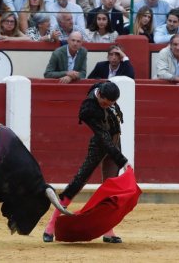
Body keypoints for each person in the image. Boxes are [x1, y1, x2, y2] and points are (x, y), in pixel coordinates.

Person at [43, 81, 131, 244]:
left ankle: (108, 230)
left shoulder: (106, 90)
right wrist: (122, 159)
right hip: (99, 145)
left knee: (110, 187)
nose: (107, 106)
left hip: (115, 143)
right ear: (99, 96)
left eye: (110, 104)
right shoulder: (88, 109)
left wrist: (118, 153)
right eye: (104, 103)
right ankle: (50, 226)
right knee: (77, 183)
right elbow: (103, 138)